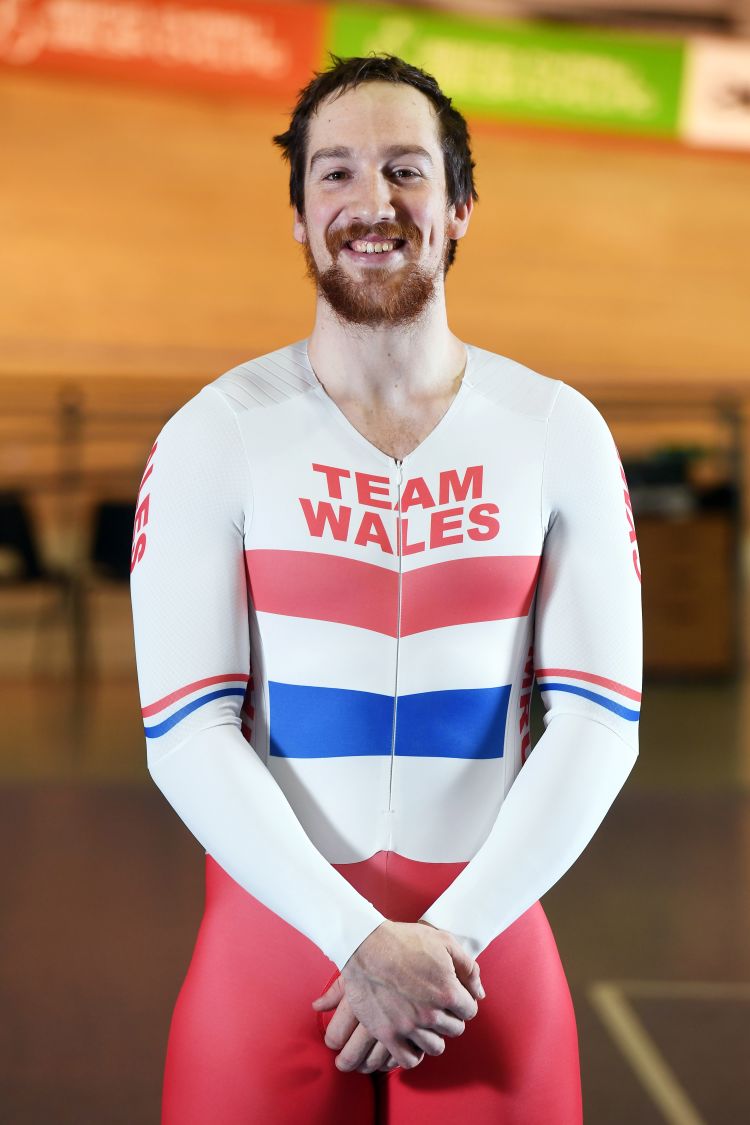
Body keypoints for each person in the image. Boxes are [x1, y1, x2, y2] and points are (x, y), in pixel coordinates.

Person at [129, 53, 642, 1124]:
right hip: (273, 951)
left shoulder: (558, 432)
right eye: (336, 174)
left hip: (483, 957)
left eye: (407, 171)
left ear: (459, 208)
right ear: (299, 215)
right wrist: (357, 940)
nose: (373, 203)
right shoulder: (214, 436)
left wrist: (441, 946)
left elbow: (599, 722)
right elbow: (186, 731)